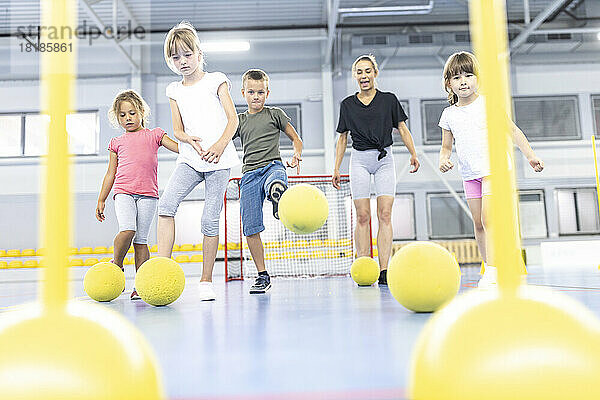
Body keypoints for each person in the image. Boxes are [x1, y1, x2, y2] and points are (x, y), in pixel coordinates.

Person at [437, 51, 544, 287]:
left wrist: (531, 156)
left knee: (488, 219)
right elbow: (446, 147)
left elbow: (513, 131)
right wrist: (443, 160)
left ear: (478, 79)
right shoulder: (449, 114)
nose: (463, 81)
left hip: (494, 170)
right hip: (469, 174)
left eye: (468, 75)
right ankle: (489, 268)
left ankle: (494, 270)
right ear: (448, 84)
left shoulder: (488, 104)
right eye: (456, 78)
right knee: (478, 223)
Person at [158, 21, 240, 301]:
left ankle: (206, 280)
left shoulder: (216, 80)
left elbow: (233, 119)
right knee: (166, 205)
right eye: (175, 57)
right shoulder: (174, 90)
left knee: (209, 219)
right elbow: (177, 129)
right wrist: (187, 140)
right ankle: (163, 266)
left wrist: (218, 146)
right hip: (190, 159)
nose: (182, 61)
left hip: (220, 160)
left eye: (187, 55)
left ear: (198, 53)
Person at [332, 54, 420, 286]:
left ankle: (383, 269)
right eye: (359, 72)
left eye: (368, 71)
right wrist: (336, 167)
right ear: (355, 76)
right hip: (359, 159)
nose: (364, 76)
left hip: (384, 159)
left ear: (375, 74)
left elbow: (402, 128)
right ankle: (362, 266)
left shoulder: (389, 100)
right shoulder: (347, 105)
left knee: (385, 214)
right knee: (362, 216)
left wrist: (413, 153)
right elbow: (342, 138)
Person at [96, 89, 179, 300]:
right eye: (122, 115)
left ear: (141, 112)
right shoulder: (116, 143)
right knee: (128, 229)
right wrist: (101, 198)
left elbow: (179, 148)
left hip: (148, 195)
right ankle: (118, 264)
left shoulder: (155, 135)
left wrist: (196, 145)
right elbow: (110, 173)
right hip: (123, 192)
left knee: (141, 240)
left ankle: (140, 285)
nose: (128, 118)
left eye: (132, 113)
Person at [234, 69, 302, 294]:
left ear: (267, 93)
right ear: (243, 93)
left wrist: (296, 154)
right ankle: (263, 275)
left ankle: (277, 195)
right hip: (249, 175)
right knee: (251, 228)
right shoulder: (239, 121)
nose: (256, 96)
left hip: (272, 165)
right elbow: (222, 139)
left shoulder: (275, 114)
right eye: (251, 92)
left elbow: (295, 138)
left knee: (277, 179)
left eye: (260, 92)